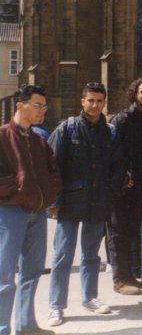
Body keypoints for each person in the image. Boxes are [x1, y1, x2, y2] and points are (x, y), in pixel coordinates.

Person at [47, 82, 125, 326]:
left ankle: (90, 297)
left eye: (99, 101)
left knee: (91, 254)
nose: (94, 105)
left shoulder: (110, 132)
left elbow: (118, 167)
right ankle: (56, 306)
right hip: (70, 202)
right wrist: (55, 201)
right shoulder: (67, 128)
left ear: (104, 103)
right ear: (82, 101)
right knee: (62, 255)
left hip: (98, 201)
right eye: (90, 100)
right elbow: (52, 165)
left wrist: (110, 192)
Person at [0, 85, 62, 335]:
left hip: (37, 213)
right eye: (38, 105)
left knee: (32, 271)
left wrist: (49, 195)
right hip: (10, 212)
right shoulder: (3, 136)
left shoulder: (38, 140)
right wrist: (17, 189)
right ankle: (3, 328)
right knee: (5, 276)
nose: (42, 111)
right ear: (20, 105)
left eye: (44, 107)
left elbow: (53, 172)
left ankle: (26, 325)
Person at [107, 78, 142, 294]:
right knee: (118, 232)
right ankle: (120, 279)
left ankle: (129, 275)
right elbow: (115, 150)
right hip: (123, 184)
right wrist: (124, 173)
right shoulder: (123, 118)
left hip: (139, 185)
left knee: (130, 231)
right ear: (135, 94)